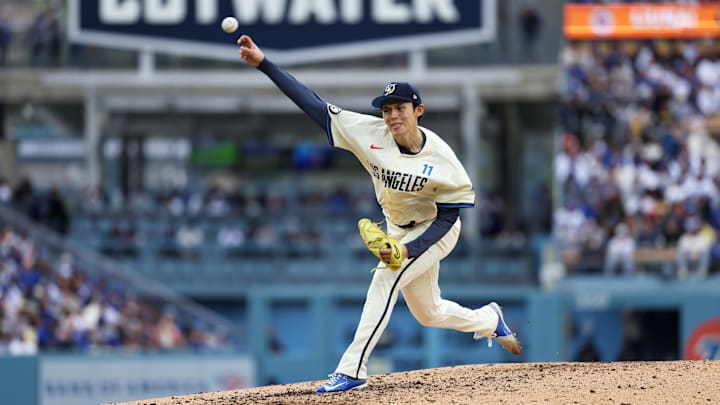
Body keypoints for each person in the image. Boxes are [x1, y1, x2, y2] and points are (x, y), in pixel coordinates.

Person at [236, 35, 522, 394]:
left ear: (418, 111)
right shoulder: (370, 133)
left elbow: (450, 217)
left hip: (437, 229)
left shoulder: (443, 159)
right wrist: (265, 64)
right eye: (386, 109)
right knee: (428, 313)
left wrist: (408, 251)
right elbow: (313, 105)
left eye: (400, 108)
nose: (392, 115)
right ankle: (488, 319)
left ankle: (352, 369)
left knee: (385, 280)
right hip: (397, 228)